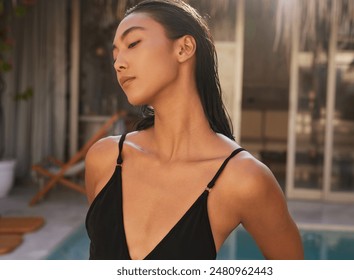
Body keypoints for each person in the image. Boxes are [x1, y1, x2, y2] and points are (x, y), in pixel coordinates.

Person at [85, 0, 303, 260]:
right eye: (115, 54)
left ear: (184, 48)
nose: (118, 63)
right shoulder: (105, 158)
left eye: (133, 44)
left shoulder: (244, 179)